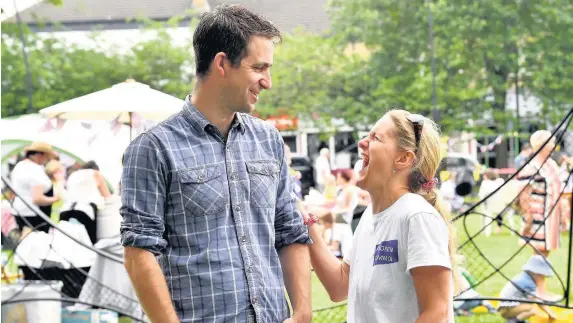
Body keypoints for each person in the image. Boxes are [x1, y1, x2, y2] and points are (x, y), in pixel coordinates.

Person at [120, 5, 311, 323]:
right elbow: (139, 253)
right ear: (222, 63)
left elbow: (289, 232)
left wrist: (303, 312)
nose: (268, 82)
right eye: (259, 68)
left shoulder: (269, 140)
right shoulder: (153, 149)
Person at [299, 109, 457, 323]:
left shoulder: (416, 216)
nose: (362, 143)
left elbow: (437, 313)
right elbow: (339, 285)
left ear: (402, 158)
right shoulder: (369, 218)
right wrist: (307, 225)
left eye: (375, 138)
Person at [516, 130, 563, 299]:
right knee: (539, 252)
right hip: (537, 216)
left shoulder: (551, 164)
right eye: (550, 142)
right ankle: (539, 291)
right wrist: (527, 217)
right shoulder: (531, 166)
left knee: (544, 252)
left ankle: (537, 290)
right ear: (540, 145)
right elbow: (523, 193)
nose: (553, 145)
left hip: (550, 217)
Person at [10, 142, 59, 233]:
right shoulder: (35, 169)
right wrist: (55, 199)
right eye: (46, 157)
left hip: (19, 210)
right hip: (34, 214)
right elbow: (37, 199)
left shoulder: (19, 166)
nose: (46, 160)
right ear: (40, 155)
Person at [497, 255, 557, 323]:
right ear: (535, 273)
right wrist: (550, 313)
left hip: (505, 306)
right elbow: (537, 300)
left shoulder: (524, 276)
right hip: (506, 309)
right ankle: (513, 321)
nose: (543, 278)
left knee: (529, 304)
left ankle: (519, 320)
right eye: (542, 276)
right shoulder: (528, 282)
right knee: (532, 309)